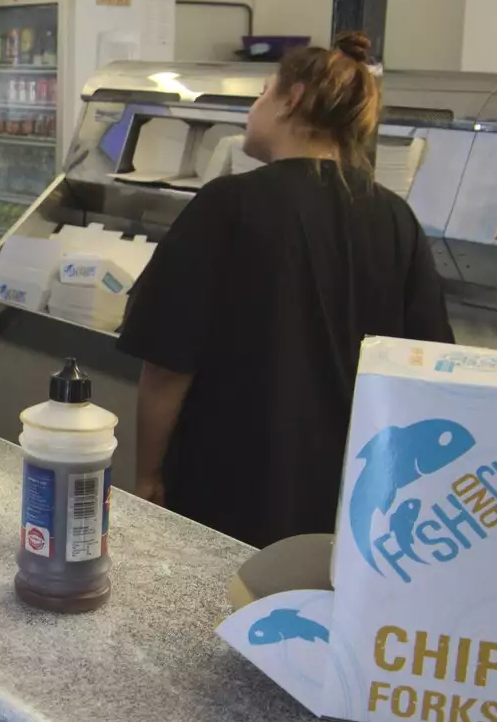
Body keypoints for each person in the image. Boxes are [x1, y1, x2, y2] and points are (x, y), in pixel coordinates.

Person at [117, 32, 453, 549]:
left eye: (262, 93)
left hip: (230, 488)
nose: (254, 108)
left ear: (291, 100)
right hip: (351, 496)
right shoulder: (395, 218)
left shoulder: (230, 203)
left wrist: (147, 476)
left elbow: (167, 362)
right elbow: (426, 364)